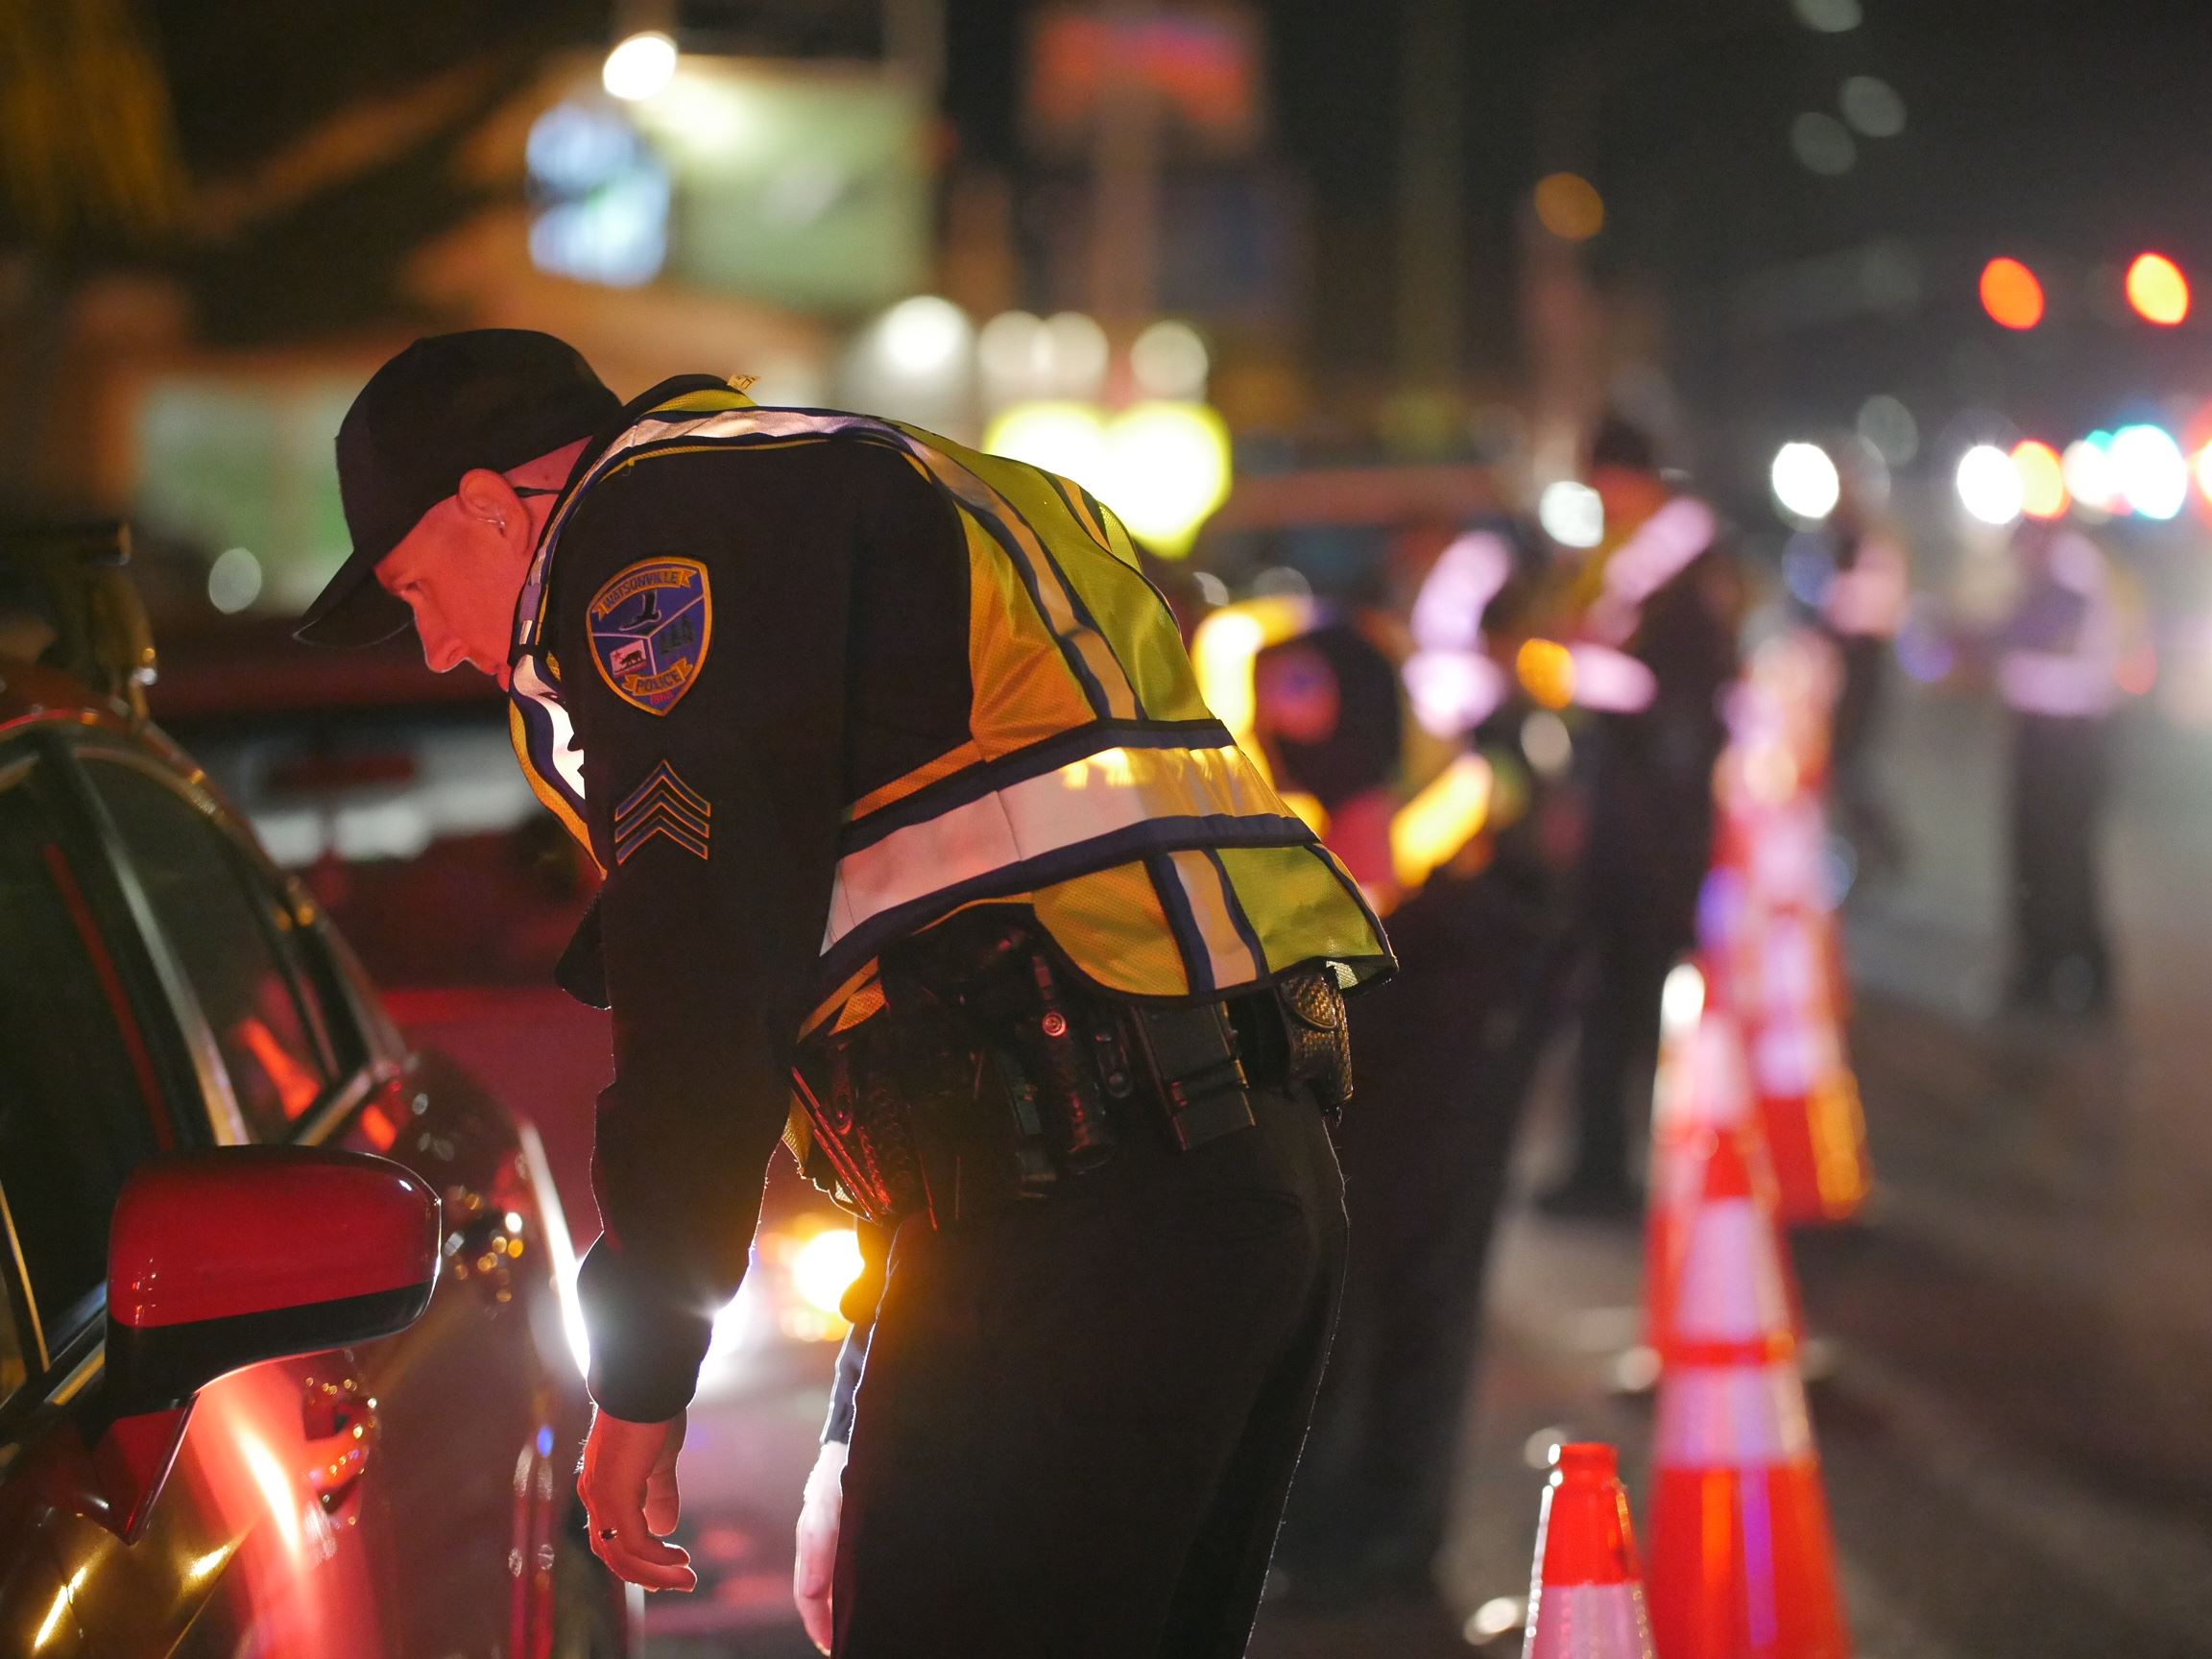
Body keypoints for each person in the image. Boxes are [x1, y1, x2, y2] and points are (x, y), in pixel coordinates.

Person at [296, 329, 1392, 1658]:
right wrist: (853, 1433)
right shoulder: (866, 480)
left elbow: (703, 960)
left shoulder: (657, 532)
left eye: (420, 588)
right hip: (1222, 1182)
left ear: (487, 503)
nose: (435, 648)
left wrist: (642, 1370)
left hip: (1084, 1226)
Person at [1208, 525, 1576, 1612]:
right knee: (1355, 1269)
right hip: (1397, 1011)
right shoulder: (1299, 696)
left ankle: (1390, 1535)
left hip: (1442, 1013)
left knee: (1416, 1273)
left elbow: (1366, 871)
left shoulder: (1343, 717)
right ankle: (1337, 1519)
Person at [1542, 418, 1741, 1217]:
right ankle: (1606, 1159)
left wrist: (1576, 669)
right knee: (1616, 991)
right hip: (1638, 807)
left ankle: (1609, 1167)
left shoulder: (1678, 568)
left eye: (1601, 486)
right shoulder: (1646, 562)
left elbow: (1673, 698)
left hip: (1651, 820)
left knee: (1622, 988)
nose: (1599, 503)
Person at [1989, 517, 2122, 1013]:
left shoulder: (2073, 572)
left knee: (2059, 859)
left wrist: (1971, 637)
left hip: (2066, 738)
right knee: (2040, 856)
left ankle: (2070, 971)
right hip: (2045, 733)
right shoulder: (2056, 572)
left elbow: (2038, 630)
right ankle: (2047, 966)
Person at [1807, 460, 1910, 875]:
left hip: (1864, 664)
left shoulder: (1875, 545)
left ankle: (1882, 849)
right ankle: (1860, 848)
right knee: (1842, 763)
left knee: (1850, 763)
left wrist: (1838, 603)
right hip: (1843, 666)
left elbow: (1873, 609)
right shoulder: (1834, 542)